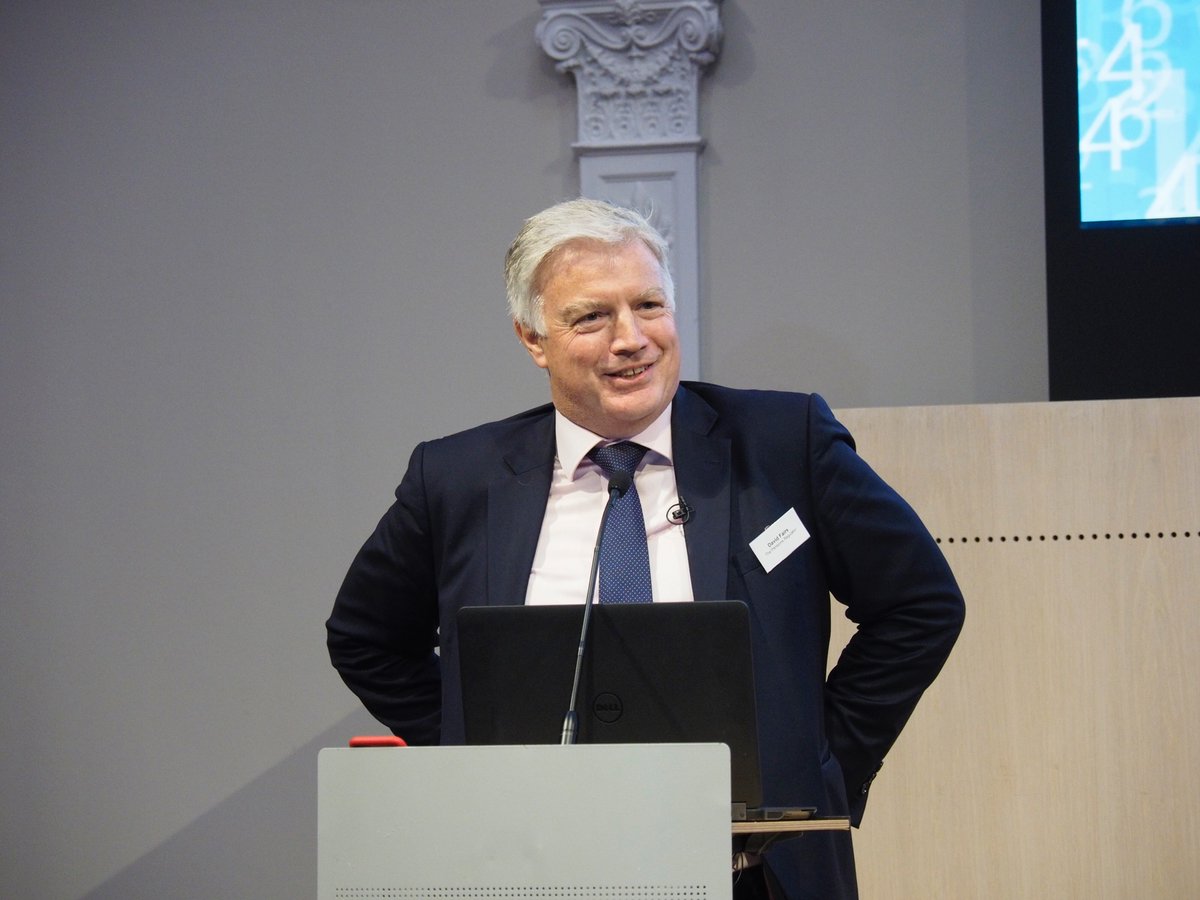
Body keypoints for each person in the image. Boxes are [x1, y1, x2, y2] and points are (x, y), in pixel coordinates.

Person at [326, 198, 965, 900]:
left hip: (754, 874)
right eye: (592, 317)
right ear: (533, 338)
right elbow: (366, 638)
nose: (631, 339)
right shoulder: (456, 478)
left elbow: (920, 604)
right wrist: (471, 751)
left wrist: (821, 760)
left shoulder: (785, 443)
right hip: (533, 872)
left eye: (649, 305)